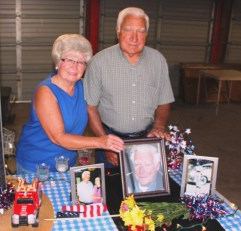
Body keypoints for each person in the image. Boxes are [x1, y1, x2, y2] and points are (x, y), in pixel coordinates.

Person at [15, 34, 124, 174]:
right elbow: (58, 137)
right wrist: (100, 142)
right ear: (57, 62)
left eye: (81, 62)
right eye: (69, 60)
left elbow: (106, 103)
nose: (75, 67)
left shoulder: (83, 86)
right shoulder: (45, 92)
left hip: (66, 164)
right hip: (37, 166)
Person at [84, 7, 175, 168]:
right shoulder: (99, 62)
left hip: (146, 139)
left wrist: (159, 126)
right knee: (109, 190)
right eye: (128, 30)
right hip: (109, 138)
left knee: (143, 188)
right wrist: (104, 143)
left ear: (146, 35)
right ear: (118, 31)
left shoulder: (158, 61)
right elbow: (90, 108)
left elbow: (164, 99)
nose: (134, 37)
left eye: (140, 31)